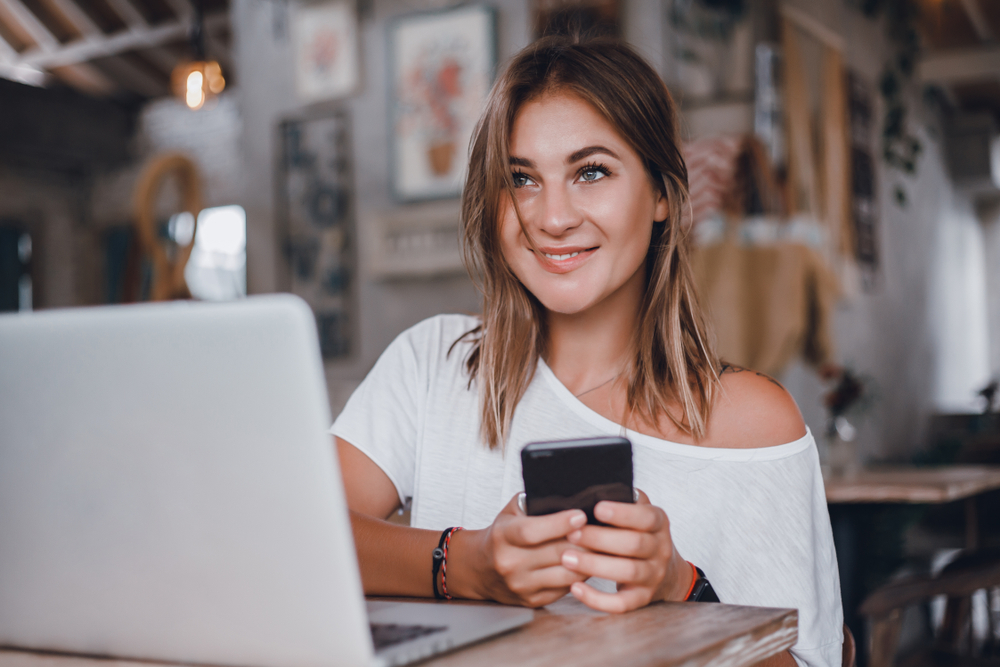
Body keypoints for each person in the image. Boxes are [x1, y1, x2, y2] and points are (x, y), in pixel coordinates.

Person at [334, 35, 842, 667]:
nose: (551, 217)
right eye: (521, 179)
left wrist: (680, 587)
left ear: (661, 195)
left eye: (590, 171)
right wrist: (462, 565)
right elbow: (297, 535)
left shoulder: (753, 420)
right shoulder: (434, 363)